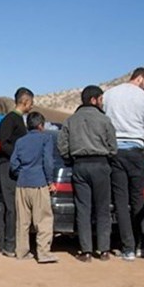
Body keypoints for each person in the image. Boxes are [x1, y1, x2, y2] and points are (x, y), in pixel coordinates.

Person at [57, 85, 117, 262]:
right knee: (102, 208)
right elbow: (113, 147)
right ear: (94, 100)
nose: (102, 103)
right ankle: (104, 250)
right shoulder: (105, 120)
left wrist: (70, 159)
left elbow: (62, 146)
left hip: (80, 166)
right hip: (101, 164)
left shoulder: (71, 120)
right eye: (101, 99)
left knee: (83, 209)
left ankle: (86, 251)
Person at [103, 67, 144, 260]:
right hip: (135, 151)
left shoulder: (109, 94)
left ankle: (128, 248)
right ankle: (139, 243)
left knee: (121, 202)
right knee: (137, 199)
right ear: (139, 78)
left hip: (115, 151)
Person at [10, 112, 57, 263]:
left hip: (22, 184)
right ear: (41, 125)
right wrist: (50, 181)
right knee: (43, 220)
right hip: (39, 183)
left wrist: (22, 173)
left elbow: (13, 164)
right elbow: (48, 162)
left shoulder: (20, 141)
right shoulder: (46, 138)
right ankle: (43, 252)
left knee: (23, 221)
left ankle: (22, 252)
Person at [0, 87, 34, 258]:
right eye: (31, 103)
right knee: (11, 207)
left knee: (8, 206)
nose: (32, 107)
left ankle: (5, 243)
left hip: (14, 168)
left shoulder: (18, 120)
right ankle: (10, 246)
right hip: (7, 167)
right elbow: (3, 144)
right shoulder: (10, 120)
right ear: (25, 102)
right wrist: (19, 155)